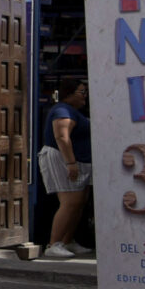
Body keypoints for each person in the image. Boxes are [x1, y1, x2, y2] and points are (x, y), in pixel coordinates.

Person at [38, 80, 94, 259]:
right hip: (63, 160)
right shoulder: (62, 110)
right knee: (70, 202)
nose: (84, 96)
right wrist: (71, 163)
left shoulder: (74, 112)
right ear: (69, 93)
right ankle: (54, 243)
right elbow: (62, 137)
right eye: (81, 92)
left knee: (78, 203)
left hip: (79, 160)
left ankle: (67, 240)